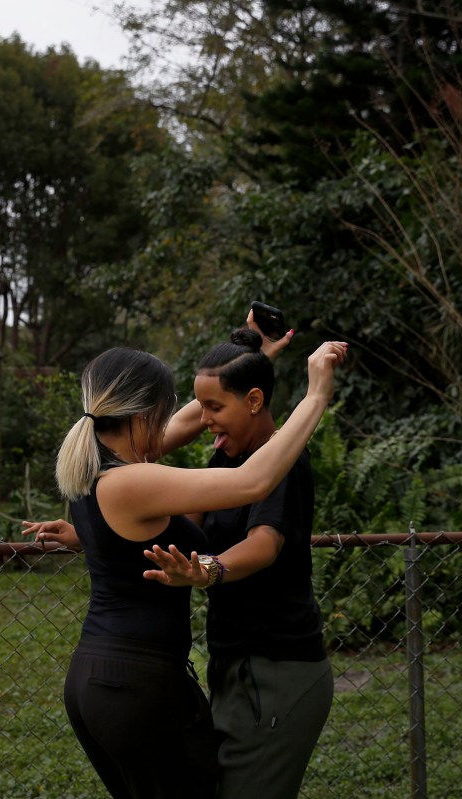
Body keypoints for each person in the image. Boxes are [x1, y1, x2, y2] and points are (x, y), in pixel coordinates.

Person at [31, 338, 347, 799]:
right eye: (167, 412)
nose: (193, 420)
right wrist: (316, 395)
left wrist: (252, 360)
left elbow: (192, 425)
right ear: (142, 416)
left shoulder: (86, 463)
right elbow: (253, 481)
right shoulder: (131, 479)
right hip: (135, 681)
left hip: (96, 678)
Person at [142, 326, 333, 799]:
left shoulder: (281, 463)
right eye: (200, 407)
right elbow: (177, 522)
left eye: (214, 408)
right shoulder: (225, 463)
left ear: (252, 401)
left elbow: (263, 545)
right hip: (235, 665)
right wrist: (89, 532)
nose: (203, 420)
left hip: (277, 667)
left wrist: (208, 569)